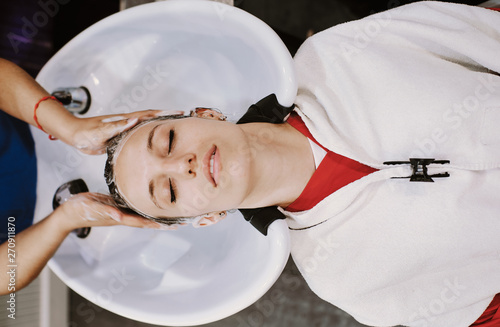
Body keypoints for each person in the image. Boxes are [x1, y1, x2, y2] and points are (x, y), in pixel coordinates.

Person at [104, 2, 500, 327]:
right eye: (170, 191)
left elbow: (479, 29)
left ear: (205, 114)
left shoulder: (336, 57)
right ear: (207, 219)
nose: (182, 166)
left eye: (169, 141)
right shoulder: (341, 279)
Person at [0, 58, 178, 296]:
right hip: (38, 215)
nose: (185, 166)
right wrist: (65, 219)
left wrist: (70, 128)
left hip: (30, 115)